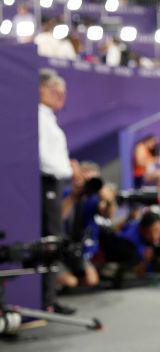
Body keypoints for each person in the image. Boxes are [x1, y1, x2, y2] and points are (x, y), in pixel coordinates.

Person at [38, 68, 79, 314]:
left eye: (63, 92)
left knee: (54, 239)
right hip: (48, 184)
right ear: (40, 89)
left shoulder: (48, 117)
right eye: (55, 90)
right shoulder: (38, 116)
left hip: (55, 183)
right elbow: (43, 157)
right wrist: (66, 170)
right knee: (51, 240)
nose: (60, 96)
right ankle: (47, 300)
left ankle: (49, 297)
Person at [120, 210, 160, 276]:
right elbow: (132, 271)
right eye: (150, 232)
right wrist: (145, 261)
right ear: (142, 229)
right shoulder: (128, 239)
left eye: (157, 231)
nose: (154, 236)